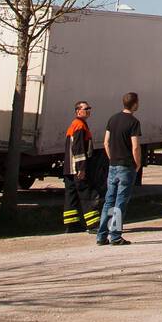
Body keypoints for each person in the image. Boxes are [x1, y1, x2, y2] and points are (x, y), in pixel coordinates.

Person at [96, 93, 142, 247]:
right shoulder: (134, 122)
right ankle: (115, 235)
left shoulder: (113, 119)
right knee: (120, 201)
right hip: (126, 166)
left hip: (113, 165)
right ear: (134, 104)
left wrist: (111, 158)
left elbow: (106, 142)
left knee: (109, 200)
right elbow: (135, 146)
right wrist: (137, 163)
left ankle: (102, 235)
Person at [63, 100, 101, 236]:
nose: (88, 110)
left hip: (69, 168)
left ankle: (71, 224)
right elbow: (78, 149)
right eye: (86, 108)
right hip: (76, 168)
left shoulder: (76, 124)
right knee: (87, 194)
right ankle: (93, 224)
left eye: (89, 108)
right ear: (78, 111)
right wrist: (82, 168)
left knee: (71, 195)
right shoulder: (79, 126)